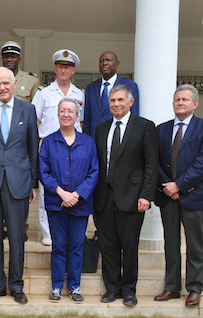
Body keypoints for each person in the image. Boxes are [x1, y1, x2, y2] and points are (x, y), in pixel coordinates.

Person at [0, 67, 38, 304]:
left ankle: (16, 285)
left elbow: (33, 148)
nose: (1, 87)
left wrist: (33, 184)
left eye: (6, 83)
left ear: (14, 85)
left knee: (16, 236)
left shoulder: (28, 109)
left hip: (18, 183)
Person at [94, 84, 158, 307]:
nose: (116, 104)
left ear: (130, 102)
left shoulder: (144, 127)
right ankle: (112, 288)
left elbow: (151, 164)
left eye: (120, 100)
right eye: (112, 101)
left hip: (132, 197)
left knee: (129, 246)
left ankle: (129, 290)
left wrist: (146, 195)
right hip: (103, 197)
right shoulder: (101, 129)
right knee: (108, 245)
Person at [39, 98, 99, 303]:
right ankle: (56, 286)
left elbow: (94, 172)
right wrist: (62, 193)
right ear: (57, 115)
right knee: (58, 245)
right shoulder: (48, 142)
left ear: (77, 116)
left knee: (76, 246)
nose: (66, 114)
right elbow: (43, 172)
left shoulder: (88, 142)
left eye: (70, 111)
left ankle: (74, 286)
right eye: (62, 111)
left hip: (80, 204)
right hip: (56, 203)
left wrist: (77, 195)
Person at [154, 84, 203, 307]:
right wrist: (168, 186)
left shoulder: (202, 128)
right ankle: (172, 287)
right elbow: (154, 160)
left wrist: (179, 185)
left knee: (195, 245)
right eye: (177, 100)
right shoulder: (161, 129)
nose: (180, 103)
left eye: (184, 99)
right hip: (167, 196)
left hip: (194, 196)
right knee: (170, 243)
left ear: (195, 104)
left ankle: (194, 288)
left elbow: (200, 163)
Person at [32, 49, 84, 246]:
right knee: (48, 190)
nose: (64, 70)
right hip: (49, 146)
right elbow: (35, 121)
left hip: (72, 147)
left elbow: (82, 122)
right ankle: (48, 232)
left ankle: (67, 230)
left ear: (73, 71)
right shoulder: (44, 93)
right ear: (55, 69)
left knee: (70, 186)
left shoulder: (79, 94)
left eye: (68, 67)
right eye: (61, 67)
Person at [83, 51, 140, 137]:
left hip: (119, 138)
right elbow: (87, 119)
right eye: (101, 61)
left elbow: (134, 115)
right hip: (94, 140)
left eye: (108, 60)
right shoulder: (91, 88)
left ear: (117, 64)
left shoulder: (130, 85)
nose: (104, 63)